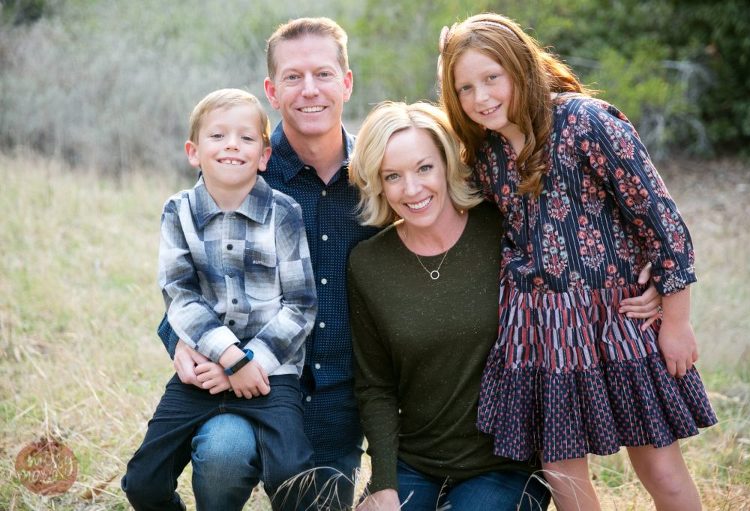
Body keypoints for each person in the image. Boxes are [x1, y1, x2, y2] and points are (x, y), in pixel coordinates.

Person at [438, 13, 718, 511]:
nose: (480, 97)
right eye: (465, 88)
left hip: (618, 321)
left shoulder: (585, 123)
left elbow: (663, 223)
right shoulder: (485, 154)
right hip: (542, 334)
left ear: (521, 68)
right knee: (561, 475)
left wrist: (676, 322)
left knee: (659, 467)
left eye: (491, 78)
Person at [156, 17, 379, 510]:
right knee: (223, 455)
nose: (309, 90)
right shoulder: (239, 164)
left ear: (346, 81)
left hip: (338, 400)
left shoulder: (378, 173)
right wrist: (179, 342)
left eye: (323, 74)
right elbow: (185, 282)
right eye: (293, 77)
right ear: (272, 91)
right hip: (241, 383)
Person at [347, 101, 553, 511]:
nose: (412, 189)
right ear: (378, 183)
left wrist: (652, 282)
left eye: (424, 168)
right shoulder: (368, 263)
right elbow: (376, 385)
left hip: (506, 465)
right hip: (415, 463)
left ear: (447, 164)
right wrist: (384, 484)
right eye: (393, 176)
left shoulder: (501, 229)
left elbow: (572, 279)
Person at [122, 88, 317, 511]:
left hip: (273, 374)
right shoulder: (178, 211)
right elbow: (179, 294)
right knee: (142, 481)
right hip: (203, 371)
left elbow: (300, 305)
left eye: (246, 138)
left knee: (295, 479)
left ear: (265, 156)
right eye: (218, 136)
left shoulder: (285, 213)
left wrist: (252, 363)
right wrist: (229, 357)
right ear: (193, 151)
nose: (232, 145)